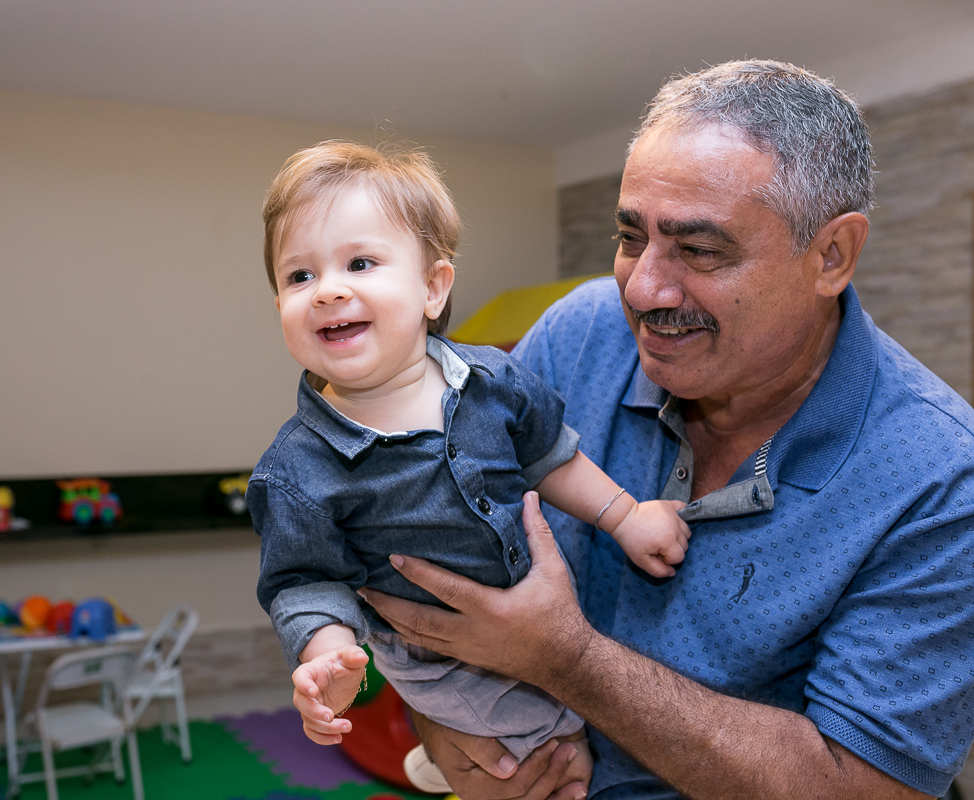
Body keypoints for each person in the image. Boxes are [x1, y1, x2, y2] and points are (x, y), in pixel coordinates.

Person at [361, 60, 974, 800]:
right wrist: (454, 738)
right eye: (630, 237)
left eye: (700, 249)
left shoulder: (939, 476)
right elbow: (429, 554)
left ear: (831, 255)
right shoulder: (580, 336)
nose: (643, 289)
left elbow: (869, 786)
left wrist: (567, 659)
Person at [248, 140, 691, 792]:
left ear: (432, 287)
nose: (328, 291)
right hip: (439, 663)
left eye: (361, 262)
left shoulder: (493, 380)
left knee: (577, 745)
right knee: (526, 775)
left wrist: (626, 517)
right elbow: (305, 583)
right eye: (299, 277)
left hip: (546, 623)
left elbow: (551, 457)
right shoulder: (299, 470)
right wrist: (326, 659)